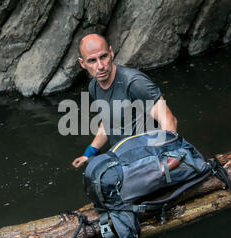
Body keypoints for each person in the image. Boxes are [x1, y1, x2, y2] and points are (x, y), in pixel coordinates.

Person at [72, 34, 177, 168]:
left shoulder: (134, 82)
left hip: (149, 157)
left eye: (103, 56)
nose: (100, 66)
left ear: (111, 53)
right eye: (92, 60)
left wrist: (167, 161)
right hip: (122, 157)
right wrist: (89, 153)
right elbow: (107, 122)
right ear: (82, 63)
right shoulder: (94, 87)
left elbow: (169, 120)